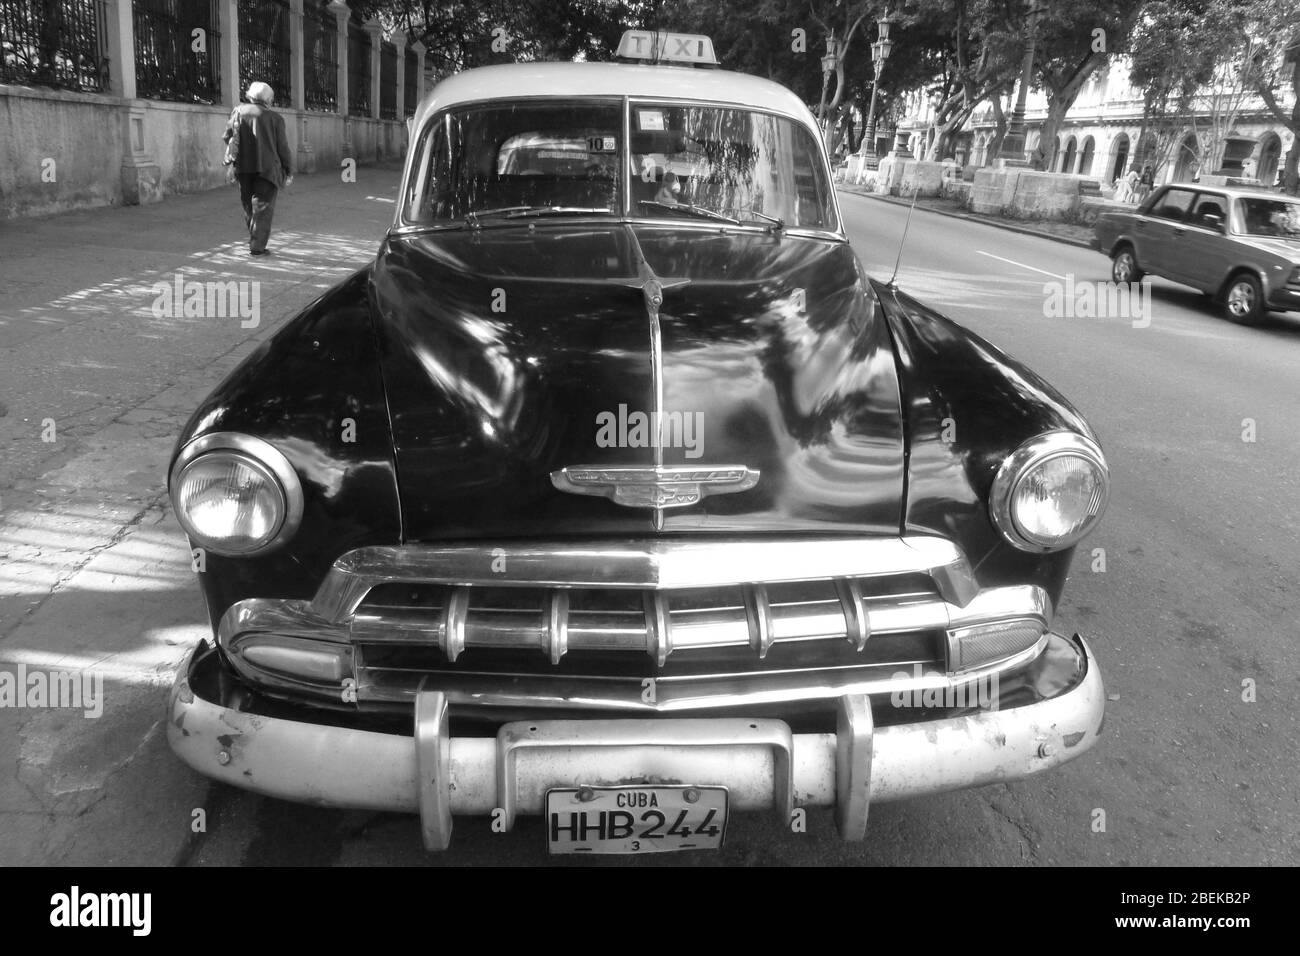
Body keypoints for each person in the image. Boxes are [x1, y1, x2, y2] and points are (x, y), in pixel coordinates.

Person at [223, 81, 293, 256]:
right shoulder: (275, 118)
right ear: (268, 99)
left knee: (248, 205)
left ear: (250, 95)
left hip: (243, 166)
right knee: (263, 208)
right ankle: (257, 246)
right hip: (268, 169)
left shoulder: (238, 111)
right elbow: (282, 147)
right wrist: (288, 169)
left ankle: (255, 240)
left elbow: (227, 137)